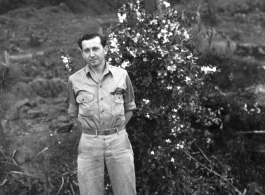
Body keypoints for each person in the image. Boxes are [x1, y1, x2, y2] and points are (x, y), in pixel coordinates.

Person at [67, 33, 137, 195]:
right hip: (89, 143)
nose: (91, 54)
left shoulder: (122, 75)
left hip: (119, 142)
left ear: (105, 49)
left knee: (126, 191)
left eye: (95, 48)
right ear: (82, 53)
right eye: (86, 50)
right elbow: (73, 113)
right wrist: (92, 132)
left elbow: (130, 108)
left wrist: (116, 130)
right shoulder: (74, 80)